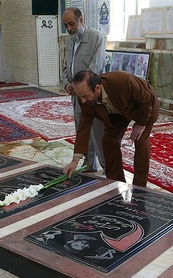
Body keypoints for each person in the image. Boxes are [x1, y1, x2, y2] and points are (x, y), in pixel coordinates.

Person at [63, 70, 160, 187]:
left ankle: (139, 187)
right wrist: (75, 161)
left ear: (97, 88)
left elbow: (146, 99)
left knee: (140, 141)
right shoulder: (84, 101)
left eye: (85, 96)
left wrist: (141, 124)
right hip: (117, 113)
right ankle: (116, 182)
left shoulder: (123, 81)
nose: (83, 101)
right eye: (80, 96)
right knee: (108, 140)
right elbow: (83, 128)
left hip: (144, 107)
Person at [61, 7, 106, 173]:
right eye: (66, 25)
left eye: (71, 24)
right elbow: (65, 65)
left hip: (91, 95)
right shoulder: (70, 40)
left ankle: (107, 167)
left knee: (98, 132)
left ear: (81, 20)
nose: (69, 28)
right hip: (75, 95)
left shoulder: (96, 37)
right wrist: (66, 83)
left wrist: (79, 87)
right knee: (82, 130)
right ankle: (88, 164)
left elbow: (96, 66)